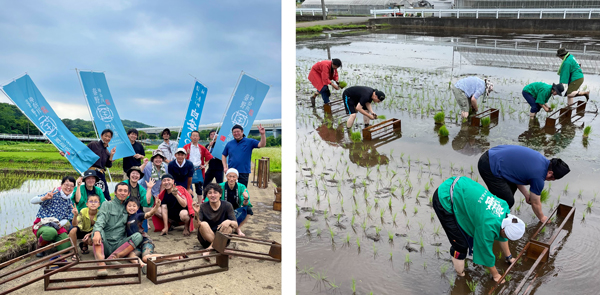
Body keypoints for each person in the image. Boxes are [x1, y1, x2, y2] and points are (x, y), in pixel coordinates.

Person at [433, 176, 525, 282]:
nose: (505, 237)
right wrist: (496, 275)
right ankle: (460, 276)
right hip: (445, 197)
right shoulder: (487, 227)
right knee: (460, 245)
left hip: (462, 185)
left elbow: (502, 236)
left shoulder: (504, 208)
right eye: (506, 235)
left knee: (468, 228)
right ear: (504, 230)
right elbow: (485, 253)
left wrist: (509, 257)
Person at [478, 145, 571, 223]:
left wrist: (526, 194)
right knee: (507, 201)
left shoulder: (541, 160)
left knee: (509, 191)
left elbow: (516, 176)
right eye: (551, 179)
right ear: (550, 173)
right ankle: (490, 221)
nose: (549, 181)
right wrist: (542, 218)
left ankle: (498, 215)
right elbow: (535, 202)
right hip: (489, 165)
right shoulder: (538, 176)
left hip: (493, 155)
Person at [92, 182, 143, 277]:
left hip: (119, 245)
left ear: (128, 194)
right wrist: (97, 231)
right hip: (105, 243)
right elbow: (100, 219)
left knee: (138, 236)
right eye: (120, 190)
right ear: (115, 192)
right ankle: (101, 264)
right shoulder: (107, 204)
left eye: (125, 191)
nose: (122, 193)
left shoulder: (128, 208)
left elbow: (141, 216)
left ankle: (112, 258)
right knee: (97, 231)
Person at [31, 176, 76, 257]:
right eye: (66, 184)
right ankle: (40, 246)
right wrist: (44, 198)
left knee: (66, 248)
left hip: (56, 225)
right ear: (61, 185)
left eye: (71, 186)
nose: (68, 187)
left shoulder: (70, 201)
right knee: (50, 232)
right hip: (43, 224)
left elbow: (67, 217)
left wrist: (60, 224)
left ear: (74, 188)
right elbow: (32, 200)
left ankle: (52, 240)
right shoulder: (52, 194)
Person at [193, 183, 237, 259]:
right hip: (206, 239)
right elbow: (196, 226)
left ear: (220, 194)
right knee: (203, 224)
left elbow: (235, 225)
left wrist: (229, 221)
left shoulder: (227, 205)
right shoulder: (202, 207)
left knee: (229, 226)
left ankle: (210, 249)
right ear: (207, 196)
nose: (213, 195)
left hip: (222, 237)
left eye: (215, 192)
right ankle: (220, 248)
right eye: (210, 193)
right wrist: (196, 213)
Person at [203, 168, 253, 236]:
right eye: (229, 176)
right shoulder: (220, 186)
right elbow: (208, 199)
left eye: (234, 176)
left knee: (248, 209)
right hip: (222, 210)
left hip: (235, 210)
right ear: (226, 177)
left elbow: (245, 204)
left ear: (237, 178)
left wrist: (246, 198)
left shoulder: (242, 187)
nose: (231, 179)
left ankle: (237, 228)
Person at [124, 197, 163, 273]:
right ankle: (143, 265)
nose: (131, 208)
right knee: (130, 256)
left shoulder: (138, 216)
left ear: (138, 207)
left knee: (146, 258)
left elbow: (149, 214)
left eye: (134, 206)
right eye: (129, 206)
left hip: (145, 242)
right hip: (135, 245)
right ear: (125, 207)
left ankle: (173, 257)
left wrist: (156, 207)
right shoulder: (124, 218)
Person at [84, 128, 116, 201]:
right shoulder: (93, 144)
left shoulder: (107, 151)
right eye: (106, 136)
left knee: (104, 193)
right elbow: (82, 152)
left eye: (109, 137)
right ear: (101, 136)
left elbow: (108, 165)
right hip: (91, 173)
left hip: (101, 174)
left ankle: (104, 208)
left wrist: (111, 155)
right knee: (90, 192)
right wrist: (67, 154)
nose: (107, 138)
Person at [123, 166, 156, 232]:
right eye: (133, 173)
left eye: (137, 174)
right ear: (129, 174)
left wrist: (149, 189)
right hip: (123, 209)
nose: (135, 175)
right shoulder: (123, 184)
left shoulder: (141, 189)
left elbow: (147, 202)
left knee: (144, 230)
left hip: (137, 210)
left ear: (139, 177)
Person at [183, 130, 213, 199]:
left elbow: (208, 157)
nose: (195, 137)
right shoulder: (186, 147)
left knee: (199, 188)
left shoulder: (201, 148)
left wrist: (205, 165)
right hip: (188, 169)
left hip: (198, 169)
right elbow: (181, 158)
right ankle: (189, 203)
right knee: (188, 187)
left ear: (199, 137)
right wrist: (187, 154)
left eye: (196, 136)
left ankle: (199, 205)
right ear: (190, 137)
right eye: (193, 136)